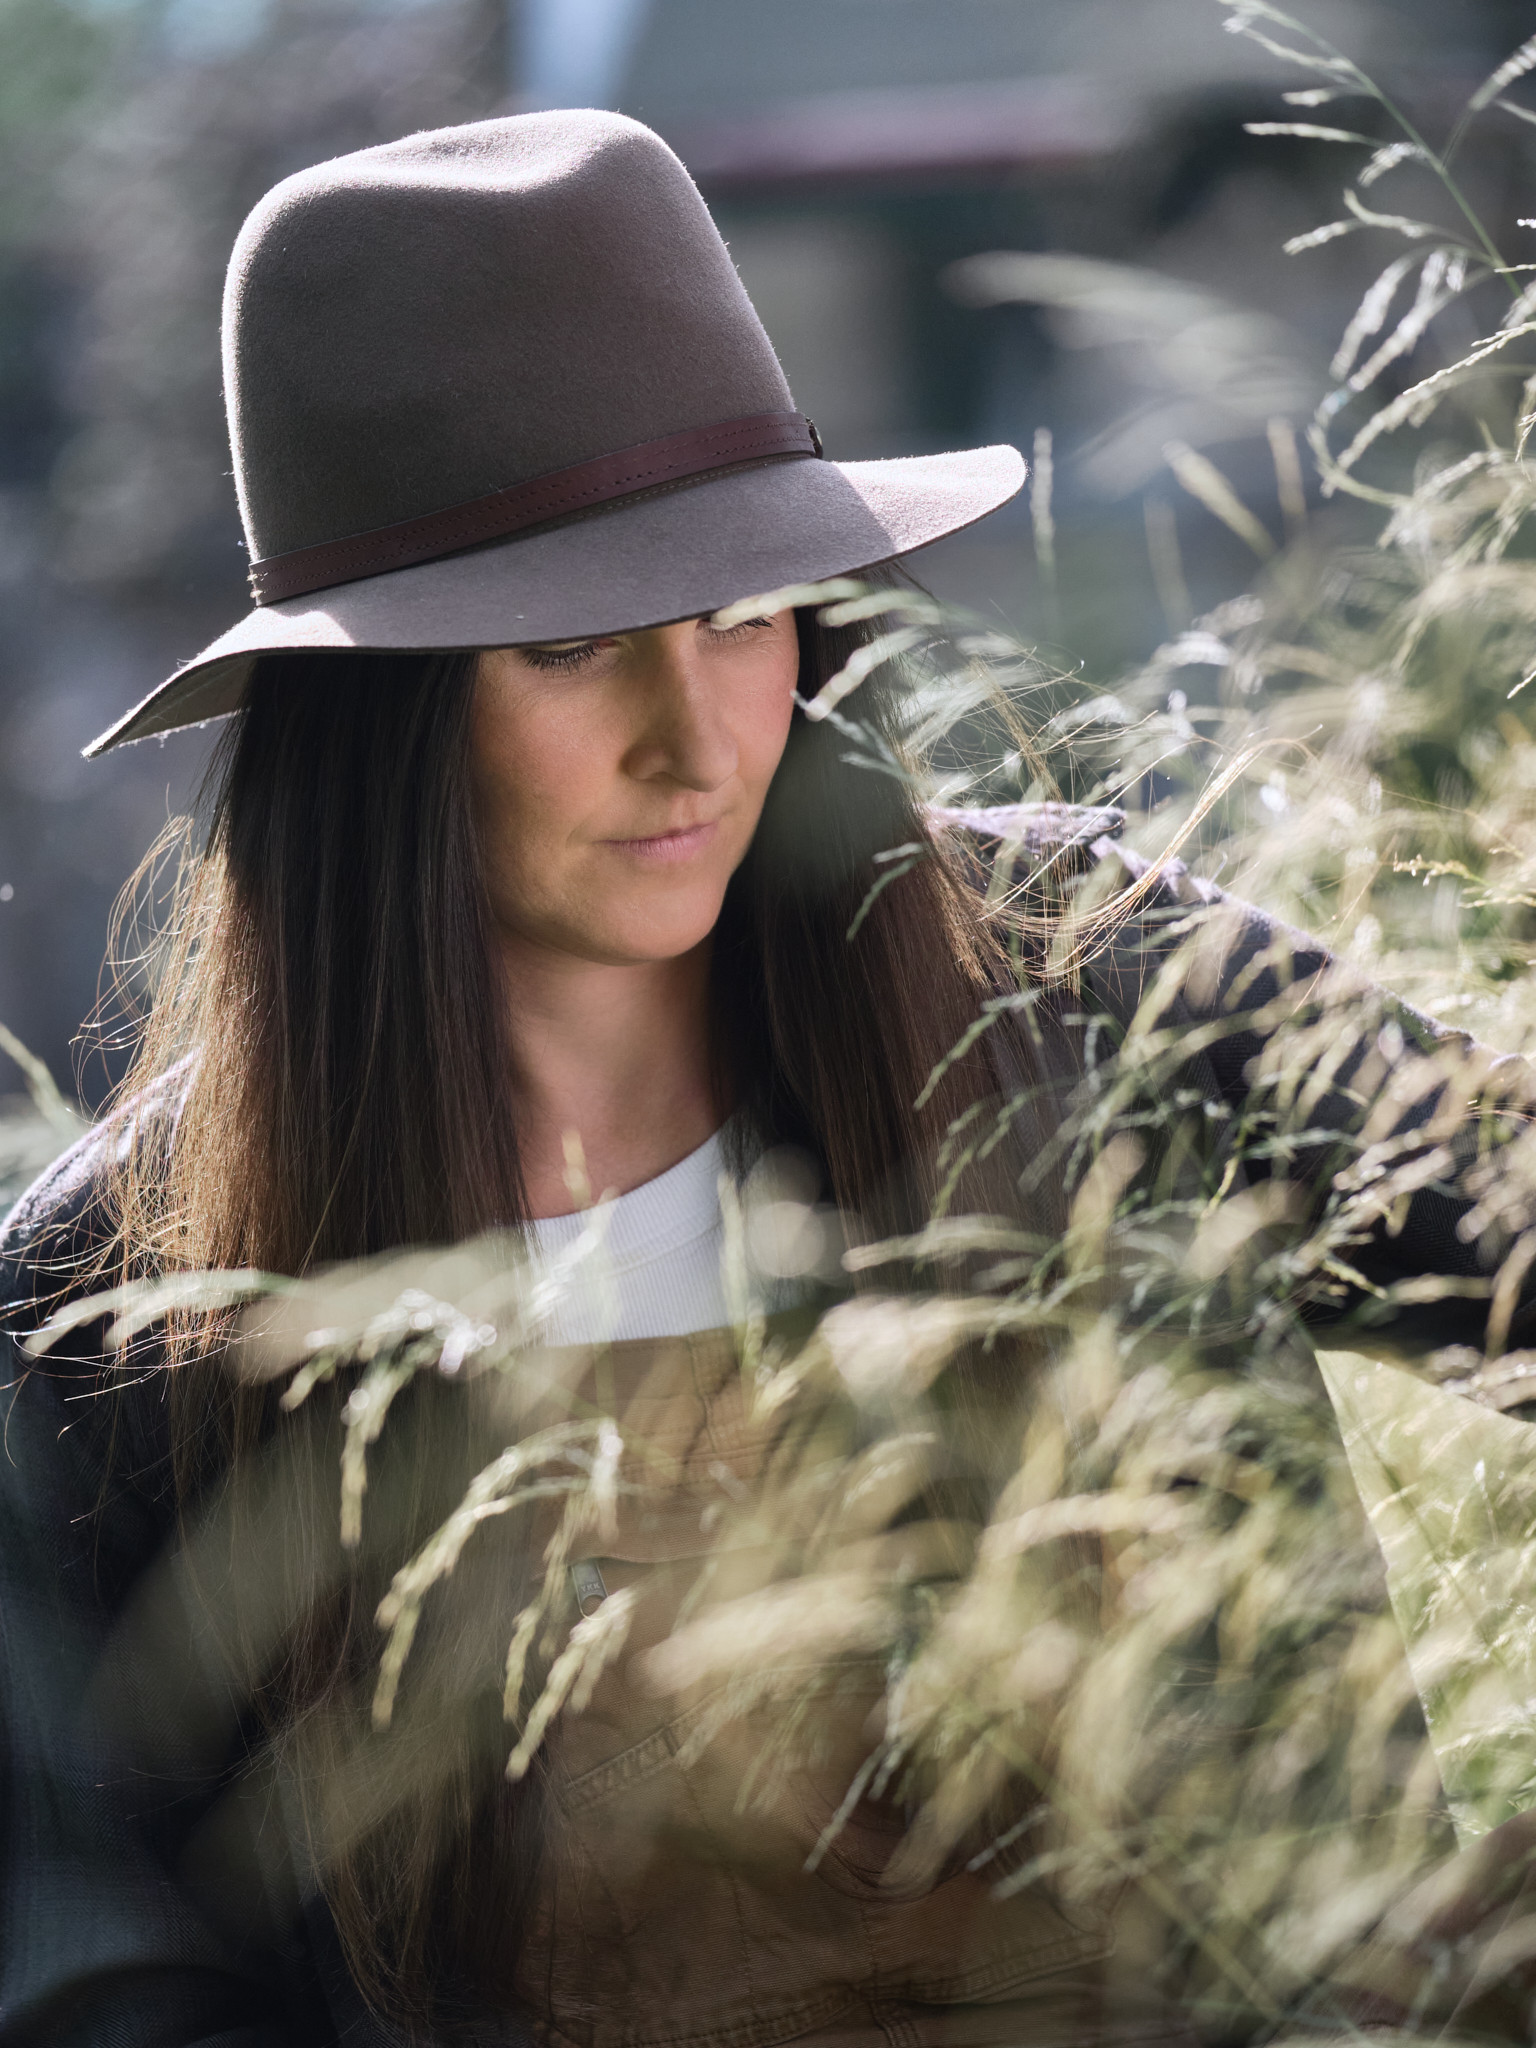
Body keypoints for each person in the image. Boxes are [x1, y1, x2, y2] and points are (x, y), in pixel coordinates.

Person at [3, 110, 1535, 2048]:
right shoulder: (100, 1341)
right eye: (571, 645)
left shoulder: (1086, 990)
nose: (696, 736)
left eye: (743, 612)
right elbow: (100, 1996)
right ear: (366, 716)